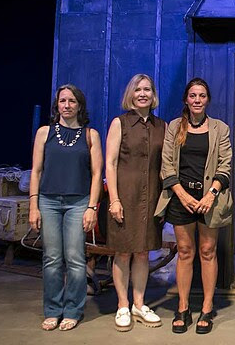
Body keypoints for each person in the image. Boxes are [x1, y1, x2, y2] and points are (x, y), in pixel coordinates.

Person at [155, 78, 233, 335]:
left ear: (207, 99)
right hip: (180, 198)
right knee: (186, 252)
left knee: (208, 251)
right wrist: (181, 194)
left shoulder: (220, 128)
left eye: (201, 95)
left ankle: (207, 308)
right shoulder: (174, 127)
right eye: (192, 95)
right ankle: (183, 307)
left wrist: (210, 195)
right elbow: (166, 164)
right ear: (186, 99)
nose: (197, 100)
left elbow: (225, 165)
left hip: (210, 198)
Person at [29, 84, 103, 331]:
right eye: (63, 101)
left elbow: (96, 174)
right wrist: (33, 205)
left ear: (79, 105)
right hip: (48, 201)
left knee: (74, 257)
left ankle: (73, 309)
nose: (67, 105)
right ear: (57, 105)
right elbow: (36, 171)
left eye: (72, 101)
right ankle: (52, 310)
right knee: (51, 258)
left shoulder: (90, 136)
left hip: (78, 202)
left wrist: (92, 207)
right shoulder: (44, 133)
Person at [105, 74, 165, 332]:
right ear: (131, 94)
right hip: (125, 196)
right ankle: (122, 304)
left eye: (147, 89)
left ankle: (139, 305)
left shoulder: (162, 126)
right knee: (123, 251)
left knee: (143, 251)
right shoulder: (119, 123)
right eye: (138, 89)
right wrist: (114, 199)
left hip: (151, 196)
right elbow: (110, 163)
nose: (143, 93)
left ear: (153, 95)